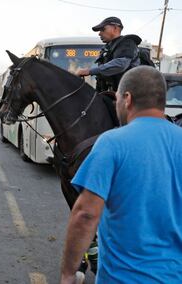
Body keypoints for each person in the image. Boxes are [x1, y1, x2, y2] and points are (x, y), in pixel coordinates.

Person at [60, 66, 182, 284]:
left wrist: (68, 273)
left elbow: (85, 214)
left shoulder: (112, 143)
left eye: (116, 99)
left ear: (127, 98)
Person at [76, 17, 140, 92]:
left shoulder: (127, 44)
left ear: (115, 28)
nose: (99, 33)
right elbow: (101, 76)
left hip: (128, 97)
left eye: (103, 29)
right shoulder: (107, 48)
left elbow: (120, 64)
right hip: (109, 94)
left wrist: (88, 71)